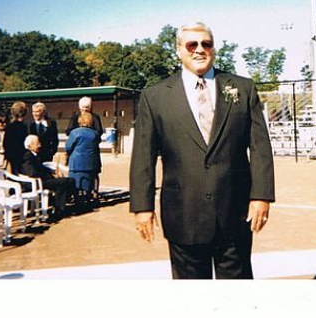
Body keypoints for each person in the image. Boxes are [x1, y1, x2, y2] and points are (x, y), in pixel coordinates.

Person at [129, 21, 275, 279]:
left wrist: (261, 196)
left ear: (213, 48)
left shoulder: (243, 88)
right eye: (191, 44)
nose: (199, 50)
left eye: (206, 44)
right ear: (179, 50)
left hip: (235, 212)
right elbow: (144, 156)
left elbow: (260, 147)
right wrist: (143, 207)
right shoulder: (155, 97)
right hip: (183, 215)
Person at [21, 134, 76, 221]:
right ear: (30, 146)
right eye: (37, 143)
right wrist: (49, 176)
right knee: (65, 182)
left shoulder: (34, 155)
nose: (40, 145)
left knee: (68, 181)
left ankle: (59, 207)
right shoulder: (27, 156)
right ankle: (58, 209)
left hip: (41, 180)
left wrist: (52, 173)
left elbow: (41, 168)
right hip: (35, 182)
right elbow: (32, 173)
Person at [65, 112, 102, 202]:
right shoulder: (95, 134)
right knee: (89, 183)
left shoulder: (74, 133)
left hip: (76, 163)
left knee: (76, 184)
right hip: (90, 163)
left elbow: (68, 147)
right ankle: (88, 199)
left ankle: (77, 199)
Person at [3, 101, 29, 174]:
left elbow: (5, 143)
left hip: (11, 157)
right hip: (22, 157)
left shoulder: (9, 127)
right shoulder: (24, 127)